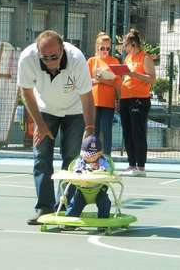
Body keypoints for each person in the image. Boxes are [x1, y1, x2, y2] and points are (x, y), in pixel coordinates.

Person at [17, 30, 95, 225]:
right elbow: (26, 92)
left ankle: (67, 208)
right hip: (44, 110)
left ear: (63, 49)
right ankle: (44, 208)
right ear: (38, 53)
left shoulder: (77, 59)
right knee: (41, 157)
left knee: (72, 159)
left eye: (55, 57)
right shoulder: (27, 58)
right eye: (46, 58)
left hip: (75, 111)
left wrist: (90, 128)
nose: (51, 62)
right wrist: (40, 125)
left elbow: (87, 96)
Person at [118, 29, 156, 177]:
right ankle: (131, 164)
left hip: (139, 99)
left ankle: (140, 166)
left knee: (137, 132)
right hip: (125, 98)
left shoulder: (144, 57)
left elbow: (152, 79)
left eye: (125, 45)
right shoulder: (128, 57)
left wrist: (133, 74)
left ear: (133, 44)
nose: (123, 48)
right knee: (127, 133)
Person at [87, 32, 121, 156]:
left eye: (107, 48)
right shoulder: (91, 61)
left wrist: (101, 80)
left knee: (107, 130)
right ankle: (93, 157)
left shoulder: (114, 61)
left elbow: (116, 82)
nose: (105, 51)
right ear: (97, 48)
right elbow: (85, 81)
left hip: (108, 102)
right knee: (94, 131)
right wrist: (98, 80)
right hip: (93, 101)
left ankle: (107, 157)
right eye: (102, 48)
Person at [65, 135, 112, 221]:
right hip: (82, 189)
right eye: (85, 154)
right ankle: (70, 220)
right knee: (74, 204)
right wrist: (80, 172)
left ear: (99, 154)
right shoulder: (80, 161)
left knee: (105, 203)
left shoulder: (103, 161)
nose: (88, 157)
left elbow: (108, 171)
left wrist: (99, 169)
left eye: (91, 155)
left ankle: (103, 221)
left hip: (99, 189)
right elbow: (75, 170)